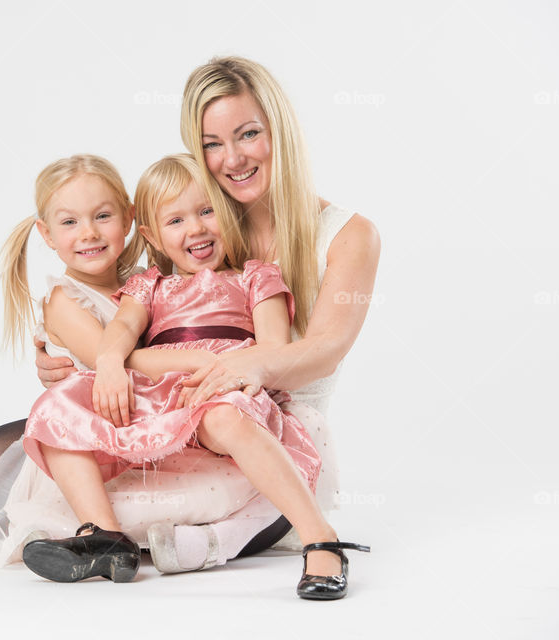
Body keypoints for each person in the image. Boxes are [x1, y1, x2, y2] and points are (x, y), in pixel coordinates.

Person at [32, 56, 381, 599]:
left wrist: (236, 365)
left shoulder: (339, 236)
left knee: (44, 485)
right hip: (170, 407)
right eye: (213, 144)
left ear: (279, 130)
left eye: (249, 134)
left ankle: (302, 537)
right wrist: (79, 356)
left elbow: (324, 349)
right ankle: (97, 535)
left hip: (257, 415)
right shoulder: (204, 211)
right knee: (25, 444)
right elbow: (123, 310)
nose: (234, 158)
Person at [0, 154, 265, 567]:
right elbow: (128, 361)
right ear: (47, 235)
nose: (88, 233)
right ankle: (69, 526)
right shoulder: (66, 299)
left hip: (154, 421)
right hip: (101, 434)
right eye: (69, 223)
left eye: (102, 216)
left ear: (129, 219)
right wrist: (203, 357)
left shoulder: (146, 279)